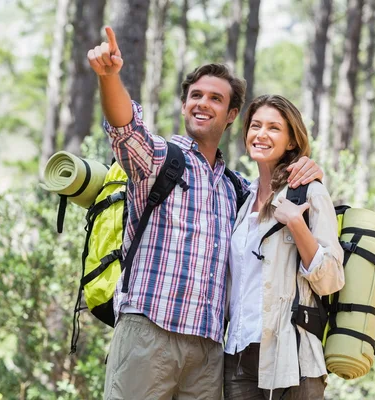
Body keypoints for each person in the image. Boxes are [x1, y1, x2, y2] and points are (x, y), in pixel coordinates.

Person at [87, 27, 324, 400]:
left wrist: (307, 167)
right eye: (195, 96)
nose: (203, 103)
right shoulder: (159, 159)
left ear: (231, 115)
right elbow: (125, 130)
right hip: (150, 331)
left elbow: (271, 196)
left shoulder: (238, 190)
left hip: (211, 350)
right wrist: (109, 76)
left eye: (215, 98)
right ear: (183, 106)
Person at [223, 94, 345, 400]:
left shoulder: (310, 193)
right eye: (255, 125)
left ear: (291, 141)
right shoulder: (243, 198)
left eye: (274, 128)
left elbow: (331, 280)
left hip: (291, 358)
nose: (261, 134)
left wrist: (298, 225)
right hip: (238, 356)